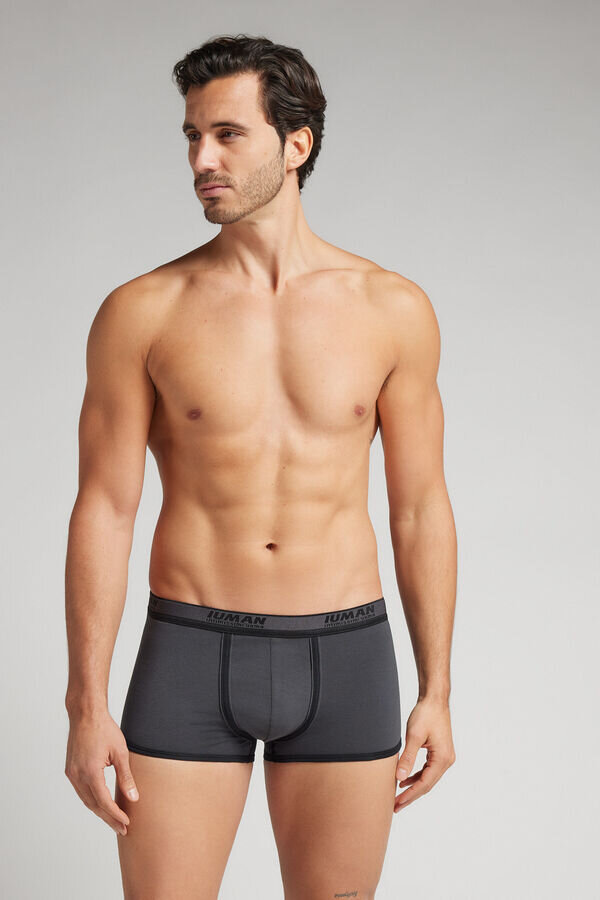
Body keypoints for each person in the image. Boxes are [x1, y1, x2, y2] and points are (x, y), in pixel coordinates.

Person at [64, 34, 457, 900]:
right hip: (190, 651)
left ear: (296, 143)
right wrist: (85, 704)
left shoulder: (392, 309)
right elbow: (105, 508)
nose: (201, 160)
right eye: (191, 136)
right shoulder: (142, 312)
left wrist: (437, 689)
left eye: (228, 135)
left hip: (347, 654)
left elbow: (421, 507)